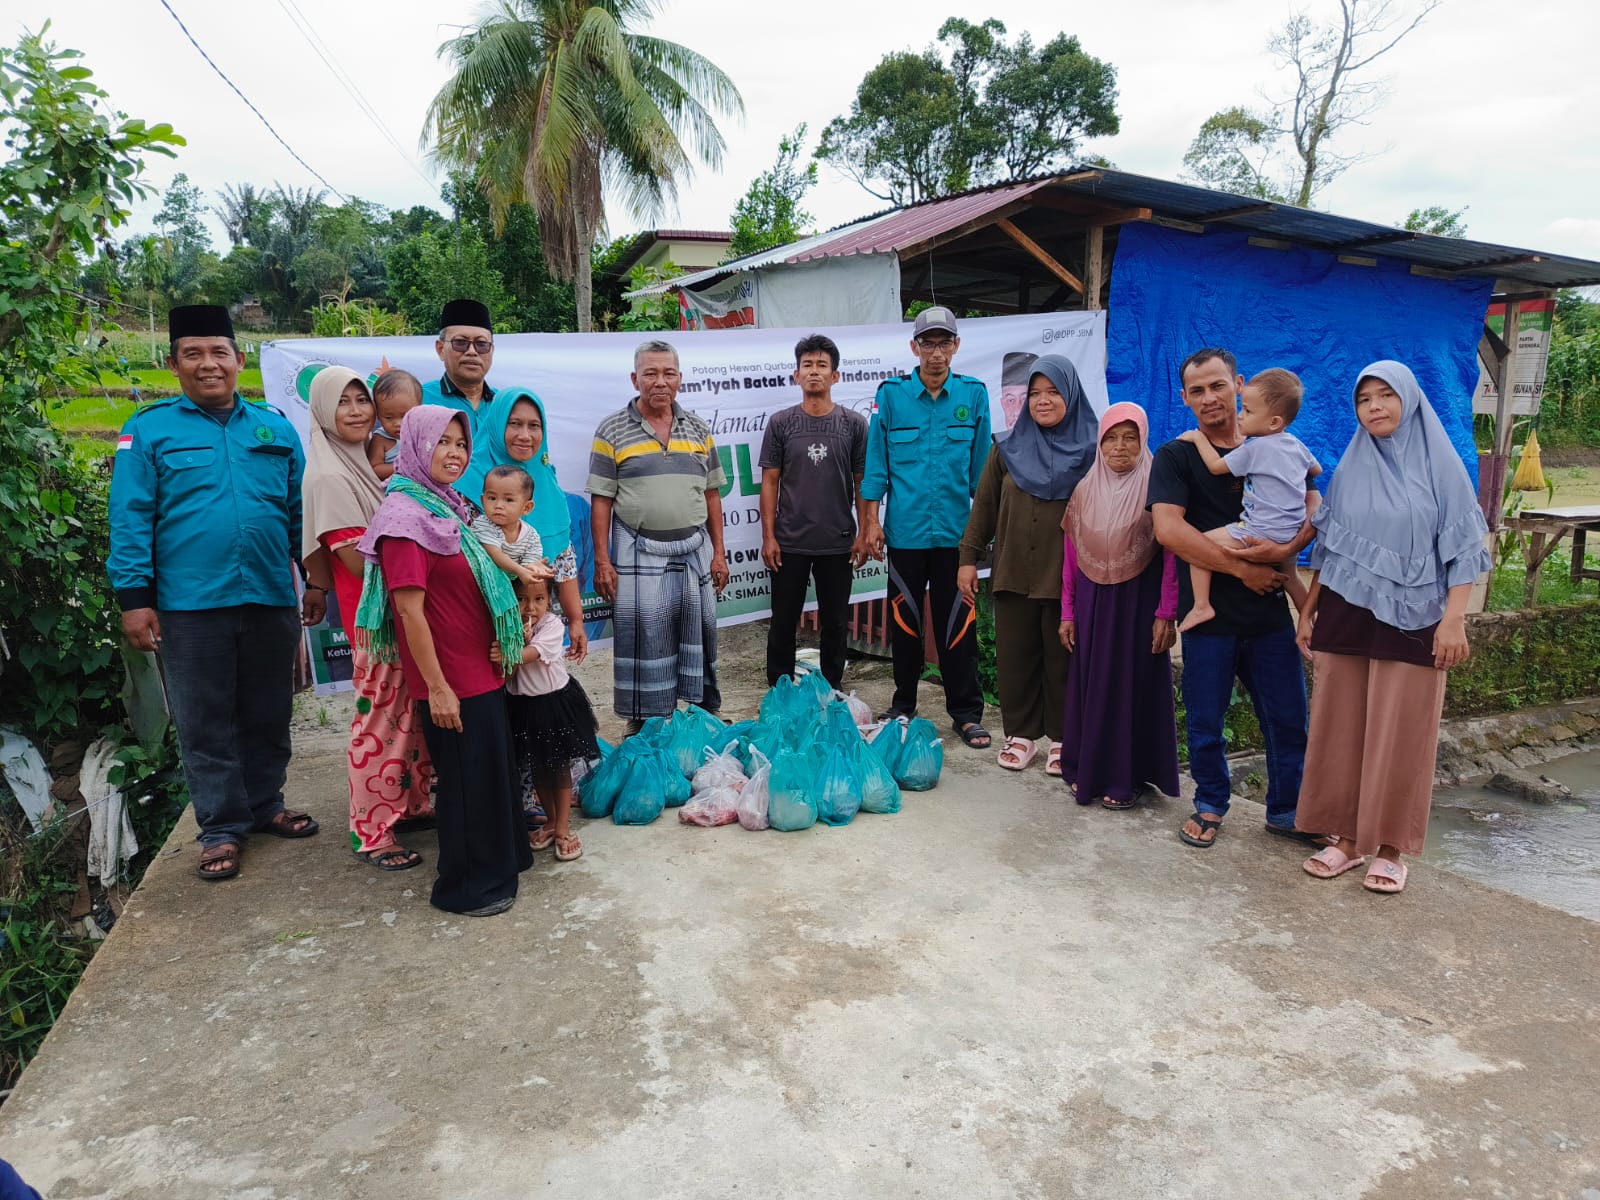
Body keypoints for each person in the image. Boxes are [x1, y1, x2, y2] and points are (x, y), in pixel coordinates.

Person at [109, 304, 322, 882]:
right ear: (173, 362)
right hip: (190, 604)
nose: (209, 365)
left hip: (270, 595)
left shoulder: (273, 427)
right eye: (194, 354)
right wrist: (134, 599)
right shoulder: (150, 430)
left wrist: (315, 578)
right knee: (206, 718)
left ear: (239, 358)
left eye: (219, 353)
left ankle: (265, 804)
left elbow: (300, 512)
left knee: (269, 708)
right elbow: (130, 518)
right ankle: (222, 827)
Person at [1295, 361, 1490, 894]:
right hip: (1344, 610)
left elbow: (1465, 551)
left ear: (1408, 400)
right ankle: (1345, 839)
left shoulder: (1442, 468)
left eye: (1386, 396)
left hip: (1418, 617)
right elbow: (1330, 549)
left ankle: (1389, 847)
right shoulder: (1352, 466)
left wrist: (1454, 620)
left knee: (1401, 730)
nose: (1375, 407)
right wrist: (1308, 610)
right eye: (1365, 399)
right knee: (1339, 727)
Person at [355, 406, 531, 916]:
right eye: (441, 442)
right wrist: (436, 687)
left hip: (481, 668)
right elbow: (409, 612)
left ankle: (504, 863)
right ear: (413, 445)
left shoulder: (445, 507)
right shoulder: (403, 520)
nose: (453, 452)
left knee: (491, 773)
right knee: (465, 784)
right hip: (450, 677)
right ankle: (468, 887)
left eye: (460, 443)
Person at [1148, 347, 1321, 850]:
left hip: (1269, 616)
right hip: (1210, 619)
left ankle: (1289, 810)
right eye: (1197, 390)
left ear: (1238, 383)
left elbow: (1314, 497)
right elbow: (1168, 531)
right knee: (1205, 718)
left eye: (1218, 386)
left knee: (1288, 716)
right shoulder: (1178, 455)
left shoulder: (1277, 441)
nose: (1209, 398)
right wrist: (1243, 569)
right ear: (1184, 398)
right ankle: (1209, 803)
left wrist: (1290, 546)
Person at [301, 364, 434, 871]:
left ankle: (412, 806)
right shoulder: (332, 475)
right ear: (323, 411)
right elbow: (357, 559)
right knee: (380, 723)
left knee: (410, 716)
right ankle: (373, 830)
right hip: (375, 618)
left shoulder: (362, 461)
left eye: (362, 401)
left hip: (398, 611)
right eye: (344, 402)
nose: (357, 411)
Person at [956, 355, 1098, 774]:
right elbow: (983, 507)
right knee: (1015, 655)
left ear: (1071, 394)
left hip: (1068, 575)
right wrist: (968, 559)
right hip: (1013, 569)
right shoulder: (1006, 449)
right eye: (1035, 393)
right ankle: (1020, 733)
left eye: (1053, 391)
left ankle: (1062, 736)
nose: (1042, 401)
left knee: (1062, 658)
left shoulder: (1094, 450)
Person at [860, 306, 993, 749]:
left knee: (958, 625)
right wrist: (871, 522)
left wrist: (982, 534)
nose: (936, 353)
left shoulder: (973, 395)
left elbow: (982, 476)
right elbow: (875, 466)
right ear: (914, 347)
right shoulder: (892, 396)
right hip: (906, 535)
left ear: (956, 346)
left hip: (957, 537)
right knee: (906, 623)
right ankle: (904, 705)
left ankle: (967, 713)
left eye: (945, 342)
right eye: (928, 343)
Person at [587, 339, 730, 733]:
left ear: (680, 379)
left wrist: (719, 553)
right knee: (643, 635)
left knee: (700, 631)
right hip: (637, 549)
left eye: (668, 373)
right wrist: (602, 561)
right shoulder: (611, 429)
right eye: (650, 373)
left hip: (695, 550)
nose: (660, 381)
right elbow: (601, 501)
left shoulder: (698, 428)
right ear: (635, 379)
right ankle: (642, 720)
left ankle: (702, 713)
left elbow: (712, 495)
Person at [1059, 403, 1181, 808]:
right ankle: (1088, 770)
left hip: (1138, 604)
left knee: (1131, 685)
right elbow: (1071, 557)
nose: (1119, 446)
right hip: (1093, 602)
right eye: (1111, 437)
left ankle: (1125, 778)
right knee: (1094, 684)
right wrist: (1068, 612)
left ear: (1144, 438)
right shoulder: (1084, 489)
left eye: (1130, 436)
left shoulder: (1158, 486)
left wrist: (1166, 611)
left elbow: (1170, 553)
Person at [758, 333, 871, 688]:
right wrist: (769, 537)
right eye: (807, 365)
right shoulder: (781, 423)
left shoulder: (854, 424)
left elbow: (862, 482)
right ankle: (779, 690)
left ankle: (832, 689)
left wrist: (865, 530)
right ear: (796, 375)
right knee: (783, 621)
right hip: (789, 541)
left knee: (836, 622)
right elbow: (770, 482)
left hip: (838, 541)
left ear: (835, 376)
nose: (814, 372)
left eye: (822, 365)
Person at [1177, 368, 1319, 633]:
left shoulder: (1255, 448)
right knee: (1292, 577)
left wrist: (1197, 437)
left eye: (1248, 412)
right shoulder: (1296, 444)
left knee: (1200, 547)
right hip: (1292, 530)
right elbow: (1316, 471)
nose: (1240, 416)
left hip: (1260, 529)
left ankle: (1201, 605)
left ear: (1274, 422)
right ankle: (1311, 621)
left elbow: (1216, 466)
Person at [456, 386, 589, 665]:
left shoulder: (547, 486)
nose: (525, 435)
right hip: (480, 622)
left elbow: (564, 562)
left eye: (534, 426)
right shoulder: (467, 488)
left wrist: (576, 620)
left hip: (533, 624)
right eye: (514, 424)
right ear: (496, 425)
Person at [500, 575, 600, 863]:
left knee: (559, 769)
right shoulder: (508, 627)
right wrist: (510, 642)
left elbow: (528, 655)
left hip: (553, 707)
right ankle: (551, 821)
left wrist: (511, 647)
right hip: (522, 708)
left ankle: (564, 829)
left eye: (539, 599)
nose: (530, 607)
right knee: (537, 769)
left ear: (551, 601)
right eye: (521, 599)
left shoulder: (552, 626)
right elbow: (507, 673)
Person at [471, 465, 558, 588]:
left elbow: (529, 562)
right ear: (482, 500)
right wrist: (520, 571)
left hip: (505, 586)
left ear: (527, 507)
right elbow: (495, 554)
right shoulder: (483, 524)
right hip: (479, 584)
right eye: (492, 498)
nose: (498, 505)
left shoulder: (531, 535)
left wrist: (533, 567)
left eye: (509, 500)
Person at [422, 298, 496, 433]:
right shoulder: (418, 400)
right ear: (441, 349)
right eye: (460, 342)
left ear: (492, 350)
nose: (472, 352)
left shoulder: (506, 404)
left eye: (481, 344)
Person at [368, 368, 423, 481]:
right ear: (378, 414)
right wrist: (403, 468)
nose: (398, 423)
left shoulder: (422, 435)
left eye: (405, 416)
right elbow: (375, 469)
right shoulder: (381, 439)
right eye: (388, 417)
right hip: (396, 491)